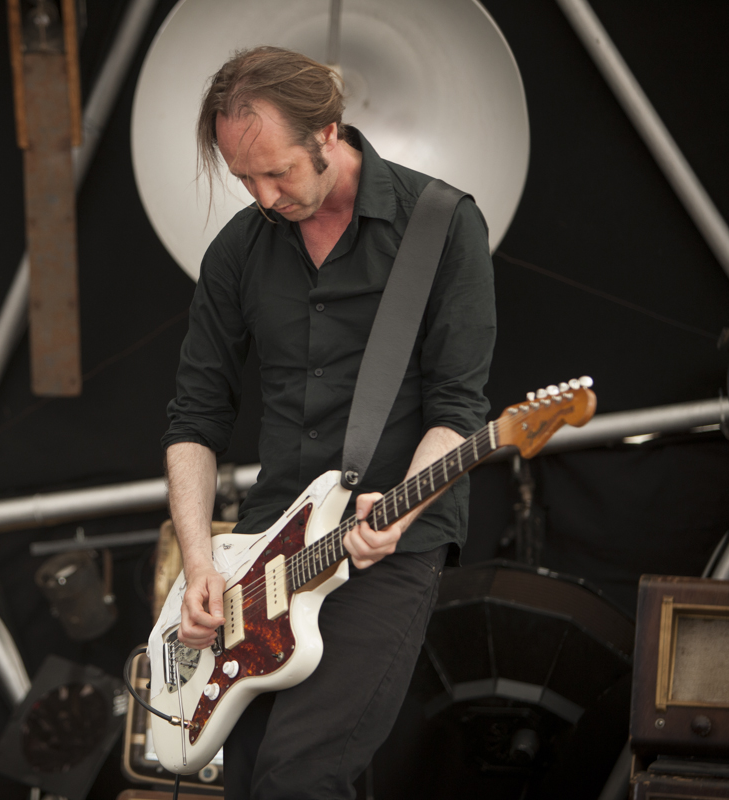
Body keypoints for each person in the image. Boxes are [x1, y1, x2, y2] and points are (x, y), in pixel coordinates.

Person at [161, 46, 495, 799]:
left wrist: (401, 511)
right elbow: (196, 417)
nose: (264, 195)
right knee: (248, 779)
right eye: (244, 178)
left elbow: (458, 407)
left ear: (328, 133)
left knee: (301, 776)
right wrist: (200, 563)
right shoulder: (238, 250)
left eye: (278, 172)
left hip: (389, 543)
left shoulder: (441, 225)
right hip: (264, 552)